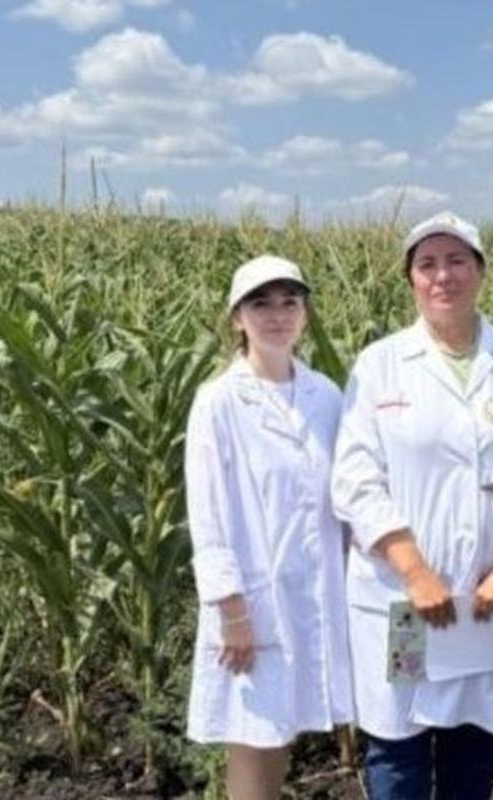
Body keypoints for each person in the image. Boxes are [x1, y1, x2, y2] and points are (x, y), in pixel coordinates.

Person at [332, 211, 493, 799]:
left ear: (481, 272)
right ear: (410, 278)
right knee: (399, 747)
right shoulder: (381, 365)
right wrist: (413, 570)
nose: (443, 276)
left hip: (488, 599)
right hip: (406, 603)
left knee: (472, 744)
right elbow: (356, 478)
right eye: (428, 264)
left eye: (457, 260)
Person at [184, 255, 354, 800]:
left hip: (315, 593)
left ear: (305, 314)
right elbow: (207, 515)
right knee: (254, 738)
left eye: (290, 302)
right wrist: (231, 609)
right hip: (253, 601)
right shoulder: (219, 402)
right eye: (261, 303)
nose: (278, 315)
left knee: (283, 731)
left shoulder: (326, 395)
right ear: (237, 317)